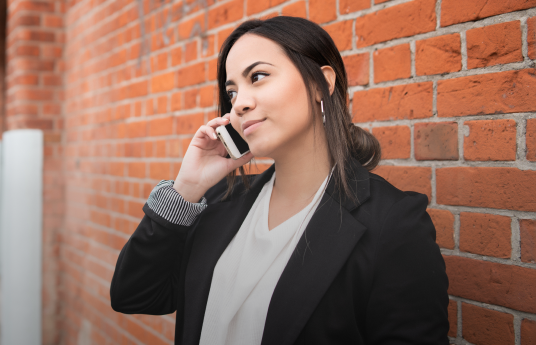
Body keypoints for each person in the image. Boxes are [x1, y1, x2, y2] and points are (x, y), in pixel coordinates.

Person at [110, 16, 449, 345]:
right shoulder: (221, 203)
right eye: (232, 92)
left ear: (320, 83)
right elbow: (135, 295)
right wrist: (186, 190)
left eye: (257, 76)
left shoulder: (393, 224)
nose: (240, 103)